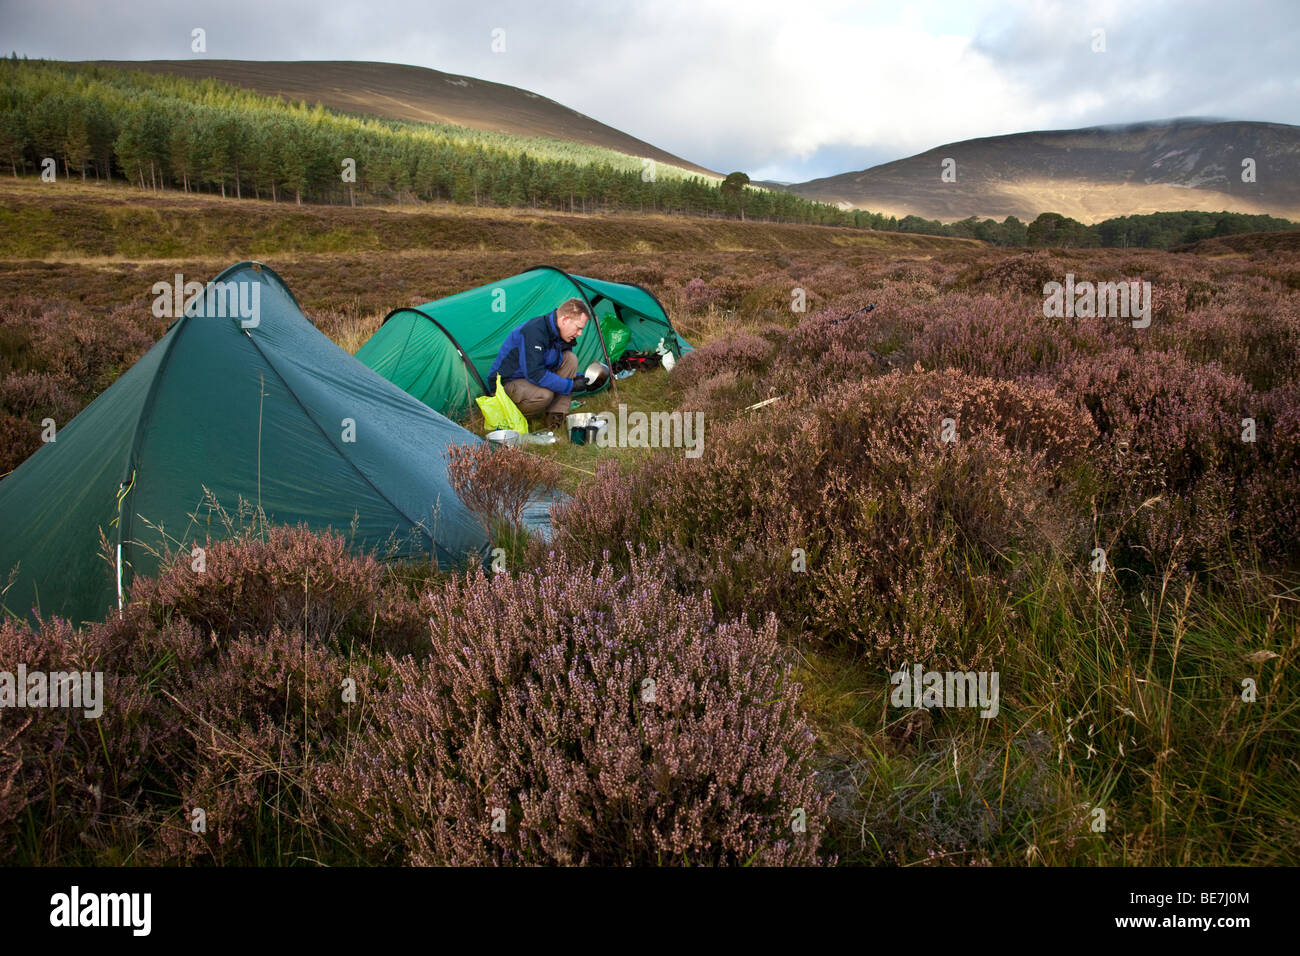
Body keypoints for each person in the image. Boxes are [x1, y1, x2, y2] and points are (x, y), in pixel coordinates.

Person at [486, 297, 596, 431]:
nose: (580, 333)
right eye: (578, 328)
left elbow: (556, 364)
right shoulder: (534, 332)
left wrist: (580, 379)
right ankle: (509, 415)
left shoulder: (561, 334)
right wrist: (571, 385)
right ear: (565, 320)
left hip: (527, 379)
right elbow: (535, 373)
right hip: (505, 385)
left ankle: (555, 415)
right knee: (545, 395)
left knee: (570, 358)